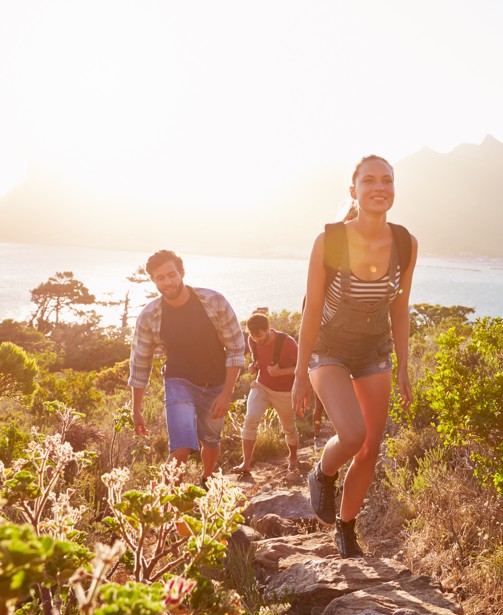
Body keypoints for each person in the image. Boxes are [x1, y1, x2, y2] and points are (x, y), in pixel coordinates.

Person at [293, 154, 417, 558]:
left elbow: (400, 309)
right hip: (328, 349)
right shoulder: (329, 240)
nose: (379, 187)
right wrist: (298, 373)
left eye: (387, 180)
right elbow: (311, 309)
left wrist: (403, 367)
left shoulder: (405, 242)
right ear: (354, 191)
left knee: (370, 448)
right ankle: (322, 472)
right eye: (369, 181)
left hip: (374, 352)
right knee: (352, 434)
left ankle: (345, 530)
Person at [129, 249, 244, 487]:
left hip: (216, 384)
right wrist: (136, 409)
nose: (167, 282)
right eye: (160, 278)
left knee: (210, 441)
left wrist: (226, 394)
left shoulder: (214, 301)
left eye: (171, 274)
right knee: (181, 448)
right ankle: (166, 509)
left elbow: (235, 349)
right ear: (153, 280)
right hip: (179, 382)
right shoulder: (150, 316)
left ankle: (207, 478)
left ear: (182, 273)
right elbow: (140, 364)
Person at [234, 312, 305, 479]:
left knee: (288, 428)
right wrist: (254, 366)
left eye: (259, 335)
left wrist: (280, 372)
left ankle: (293, 459)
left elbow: (303, 369)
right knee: (250, 419)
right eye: (253, 335)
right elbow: (257, 361)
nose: (256, 339)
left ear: (268, 329)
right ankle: (246, 463)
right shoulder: (252, 340)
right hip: (262, 386)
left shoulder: (288, 343)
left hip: (284, 392)